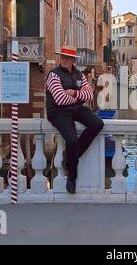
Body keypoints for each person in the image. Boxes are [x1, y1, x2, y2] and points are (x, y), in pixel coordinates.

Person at [45, 46, 104, 194]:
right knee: (71, 140)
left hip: (76, 109)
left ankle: (71, 157)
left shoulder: (79, 74)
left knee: (97, 123)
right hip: (58, 112)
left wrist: (73, 93)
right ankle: (72, 177)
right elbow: (59, 99)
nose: (64, 60)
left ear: (73, 61)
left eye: (67, 58)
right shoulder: (54, 75)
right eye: (62, 57)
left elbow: (90, 95)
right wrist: (79, 96)